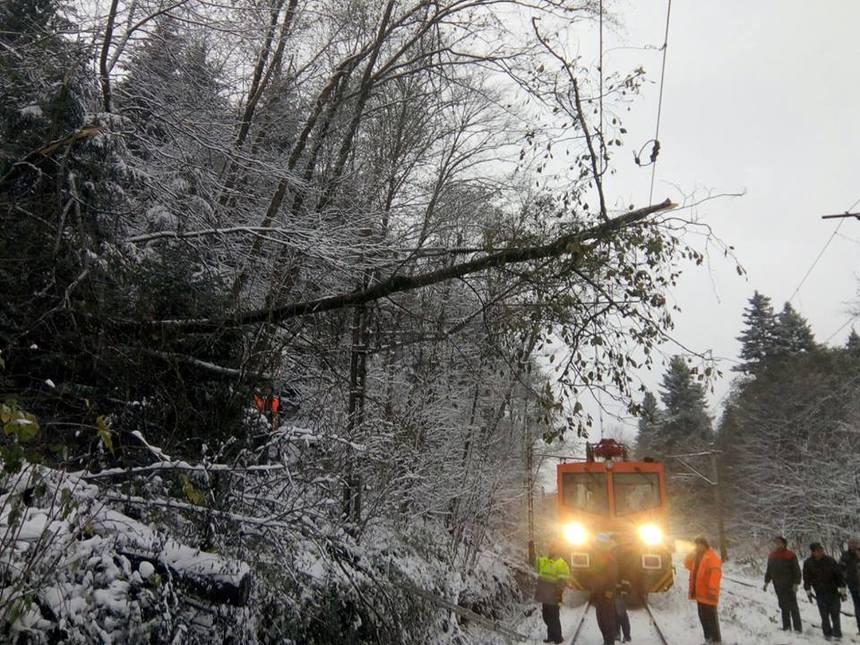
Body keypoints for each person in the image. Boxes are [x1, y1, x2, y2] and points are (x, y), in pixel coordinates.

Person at [804, 542, 847, 641]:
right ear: (813, 552)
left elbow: (839, 576)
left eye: (821, 550)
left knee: (835, 614)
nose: (820, 552)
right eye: (817, 551)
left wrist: (843, 591)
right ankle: (827, 634)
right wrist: (808, 591)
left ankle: (837, 634)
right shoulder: (808, 563)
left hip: (833, 592)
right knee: (824, 615)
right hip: (820, 593)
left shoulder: (830, 561)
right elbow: (807, 579)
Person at [684, 536, 722, 644]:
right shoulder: (697, 557)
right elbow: (687, 564)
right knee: (703, 618)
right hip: (700, 594)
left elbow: (716, 574)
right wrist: (692, 553)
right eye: (696, 545)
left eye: (699, 544)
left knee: (711, 619)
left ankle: (716, 640)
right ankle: (708, 639)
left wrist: (712, 591)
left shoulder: (712, 557)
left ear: (705, 545)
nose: (698, 546)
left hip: (708, 594)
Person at [763, 536, 802, 632]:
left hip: (789, 585)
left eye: (780, 543)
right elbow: (769, 570)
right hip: (778, 585)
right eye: (776, 543)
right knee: (783, 606)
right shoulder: (772, 556)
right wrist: (766, 582)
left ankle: (797, 628)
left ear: (784, 544)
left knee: (793, 607)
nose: (778, 545)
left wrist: (796, 583)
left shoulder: (790, 555)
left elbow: (797, 570)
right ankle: (786, 626)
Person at [535, 541, 570, 644]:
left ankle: (558, 638)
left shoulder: (561, 563)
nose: (551, 550)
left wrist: (558, 594)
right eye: (550, 548)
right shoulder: (544, 560)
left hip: (554, 595)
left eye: (553, 548)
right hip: (545, 595)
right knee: (546, 616)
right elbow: (535, 564)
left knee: (553, 617)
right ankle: (551, 636)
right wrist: (532, 550)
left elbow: (563, 580)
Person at [591, 533, 619, 645]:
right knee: (601, 619)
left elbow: (613, 577)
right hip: (599, 592)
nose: (596, 545)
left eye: (598, 544)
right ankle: (606, 640)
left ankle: (609, 641)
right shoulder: (599, 557)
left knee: (607, 619)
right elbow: (595, 574)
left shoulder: (609, 558)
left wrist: (609, 592)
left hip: (606, 594)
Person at [839, 538, 860, 635]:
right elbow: (841, 569)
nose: (853, 546)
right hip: (853, 585)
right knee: (857, 607)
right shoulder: (845, 555)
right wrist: (843, 584)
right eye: (851, 545)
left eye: (855, 544)